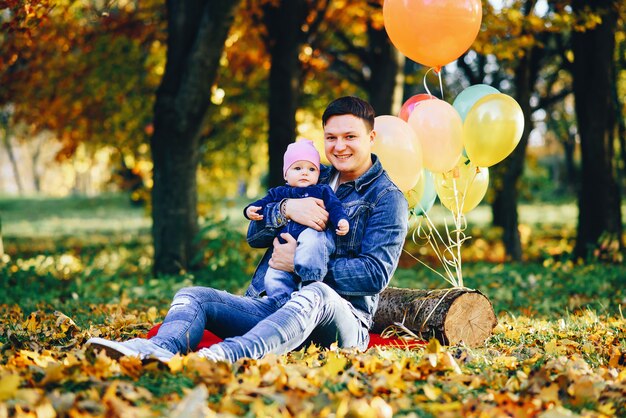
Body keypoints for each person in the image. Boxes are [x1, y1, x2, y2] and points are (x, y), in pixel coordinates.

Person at [85, 96, 408, 363]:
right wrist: (285, 209)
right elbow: (254, 236)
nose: (339, 147)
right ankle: (158, 349)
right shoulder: (312, 175)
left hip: (340, 319)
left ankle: (226, 356)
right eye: (331, 137)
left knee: (316, 293)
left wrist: (299, 262)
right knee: (192, 295)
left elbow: (374, 275)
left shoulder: (386, 198)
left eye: (350, 137)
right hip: (275, 304)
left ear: (370, 138)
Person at [245, 139, 349, 304]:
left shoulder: (322, 190)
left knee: (310, 241)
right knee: (272, 276)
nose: (305, 173)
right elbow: (262, 204)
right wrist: (250, 209)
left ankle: (310, 286)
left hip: (314, 237)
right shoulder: (279, 192)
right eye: (298, 168)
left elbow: (335, 207)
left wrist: (341, 220)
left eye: (311, 169)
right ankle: (281, 302)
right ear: (286, 174)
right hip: (284, 249)